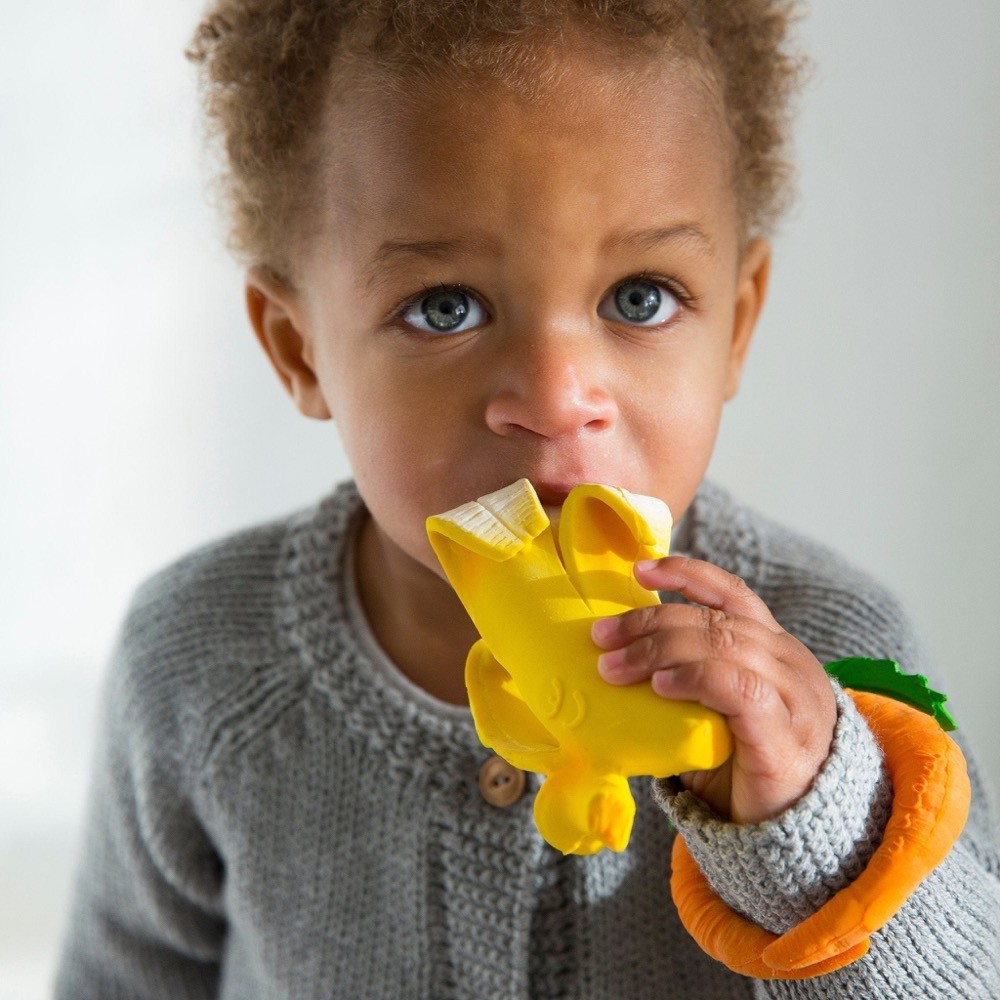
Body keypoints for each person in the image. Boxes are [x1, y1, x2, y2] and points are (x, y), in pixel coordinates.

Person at [55, 1, 1000, 997]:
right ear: (300, 348)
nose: (555, 397)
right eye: (444, 307)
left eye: (640, 296)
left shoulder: (835, 652)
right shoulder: (199, 658)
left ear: (736, 321)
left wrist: (812, 828)